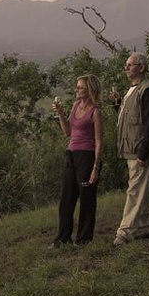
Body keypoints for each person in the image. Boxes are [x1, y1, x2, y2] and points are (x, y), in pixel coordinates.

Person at [110, 52, 149, 246]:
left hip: (139, 148)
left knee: (134, 189)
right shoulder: (133, 89)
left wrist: (143, 152)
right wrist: (116, 105)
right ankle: (142, 226)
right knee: (141, 187)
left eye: (130, 65)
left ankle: (125, 231)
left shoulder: (147, 90)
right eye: (126, 65)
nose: (126, 68)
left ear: (141, 67)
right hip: (131, 147)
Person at [50, 74, 104, 247]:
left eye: (80, 87)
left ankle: (83, 240)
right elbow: (67, 132)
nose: (77, 89)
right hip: (71, 155)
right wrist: (60, 115)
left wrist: (96, 167)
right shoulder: (75, 106)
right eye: (77, 86)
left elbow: (99, 141)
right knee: (66, 198)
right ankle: (62, 238)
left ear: (90, 90)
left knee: (87, 199)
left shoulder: (95, 112)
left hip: (87, 157)